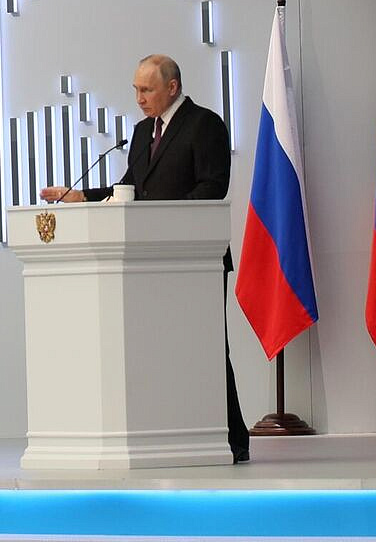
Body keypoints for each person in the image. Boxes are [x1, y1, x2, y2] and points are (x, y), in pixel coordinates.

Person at [39, 54, 251, 463]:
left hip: (195, 261)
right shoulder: (140, 133)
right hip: (148, 263)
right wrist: (83, 196)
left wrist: (161, 218)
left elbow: (213, 187)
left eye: (147, 90)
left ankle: (231, 439)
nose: (139, 98)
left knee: (206, 348)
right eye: (136, 89)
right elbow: (129, 190)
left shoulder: (204, 125)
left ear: (172, 87)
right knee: (159, 348)